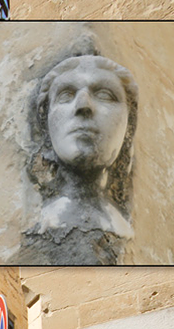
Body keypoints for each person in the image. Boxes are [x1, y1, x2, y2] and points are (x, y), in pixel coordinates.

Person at [13, 55, 138, 265]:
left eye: (105, 95)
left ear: (129, 126)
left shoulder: (122, 226)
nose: (83, 105)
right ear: (45, 126)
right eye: (66, 95)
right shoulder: (40, 225)